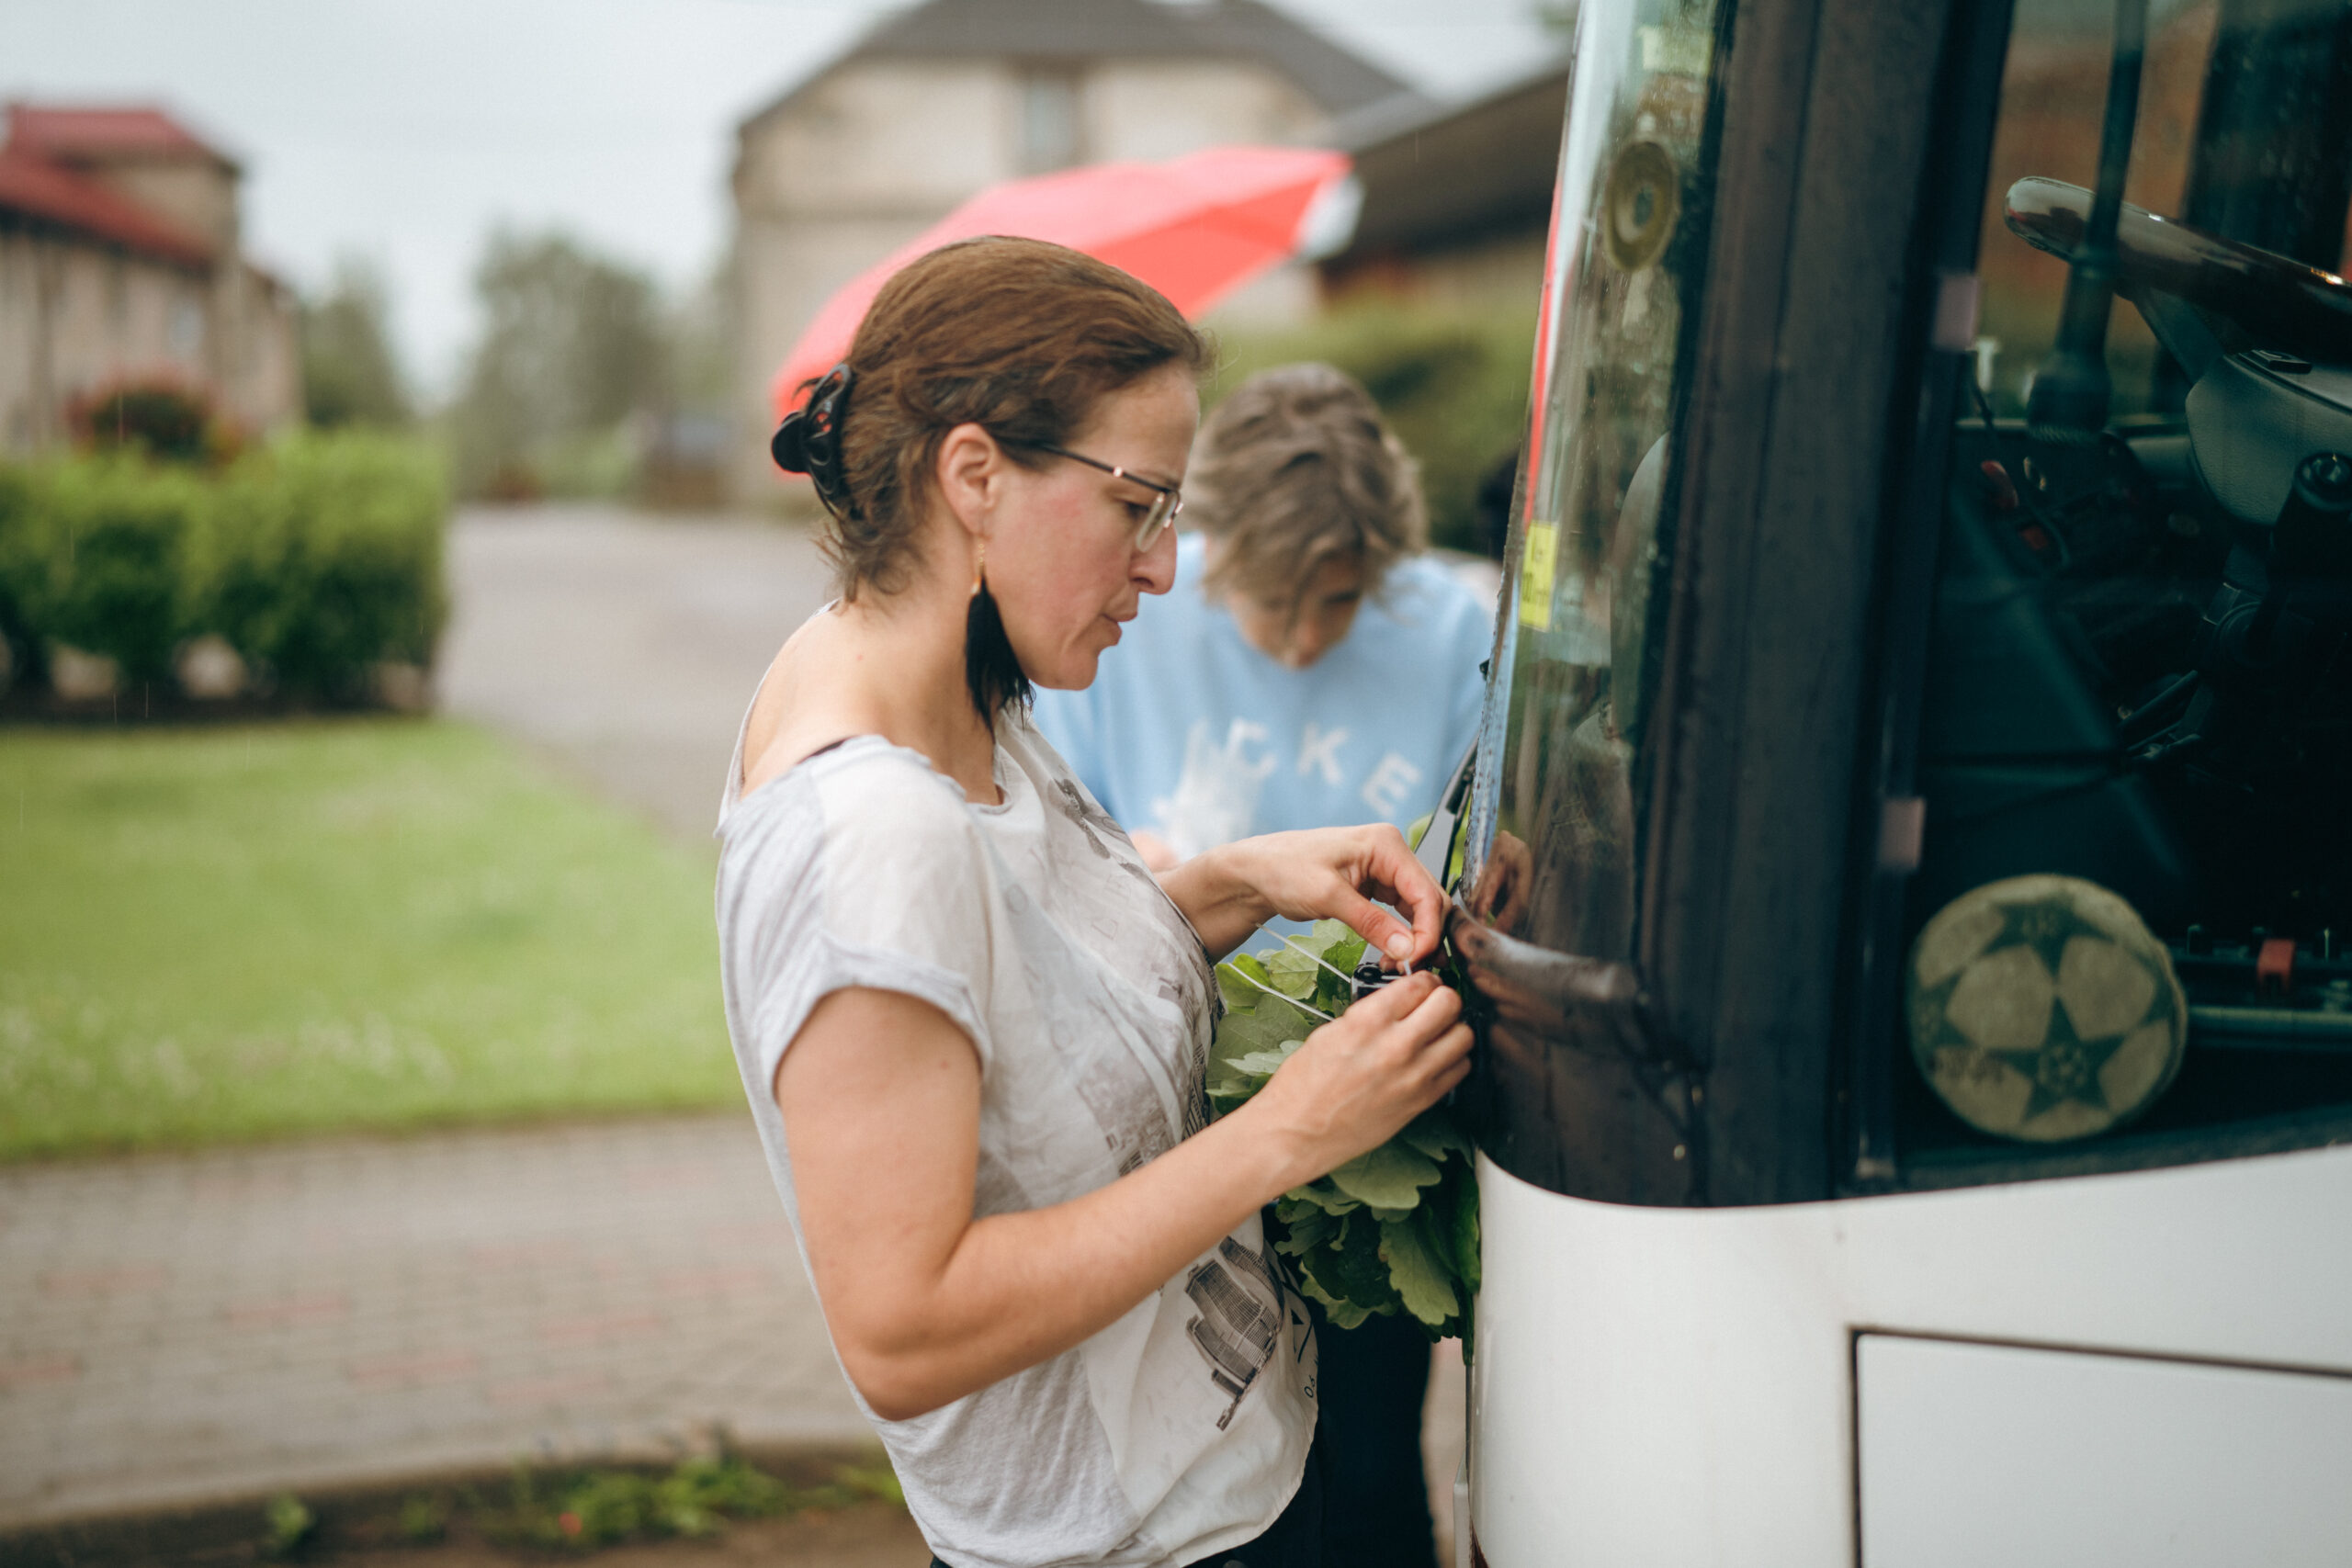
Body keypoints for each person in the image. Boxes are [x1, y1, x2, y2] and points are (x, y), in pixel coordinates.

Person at [713, 237, 1473, 1568]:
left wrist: (1231, 883)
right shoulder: (872, 834)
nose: (1167, 569)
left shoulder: (953, 684)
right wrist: (1290, 1131)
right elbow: (906, 1330)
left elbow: (1021, 1002)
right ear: (974, 477)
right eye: (1139, 507)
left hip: (1237, 1485)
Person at [1033, 365, 1494, 1568]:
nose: (1300, 640)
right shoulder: (1121, 618)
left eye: (1336, 602)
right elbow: (1055, 855)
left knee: (1373, 1463)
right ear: (1211, 542)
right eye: (1272, 602)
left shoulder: (1453, 631)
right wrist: (1139, 870)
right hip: (1182, 1110)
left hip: (1378, 1122)